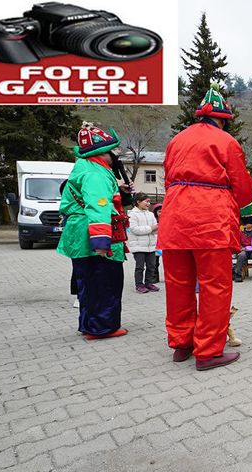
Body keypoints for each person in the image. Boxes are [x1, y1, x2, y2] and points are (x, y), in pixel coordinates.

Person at [158, 84, 252, 370]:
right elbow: (243, 188)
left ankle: (182, 344)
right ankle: (208, 351)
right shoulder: (226, 142)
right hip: (211, 222)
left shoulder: (176, 141)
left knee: (178, 286)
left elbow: (168, 179)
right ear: (223, 119)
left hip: (174, 220)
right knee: (214, 287)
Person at [57, 122, 131, 340]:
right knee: (103, 282)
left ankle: (90, 324)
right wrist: (101, 241)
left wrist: (118, 190)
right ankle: (101, 327)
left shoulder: (86, 168)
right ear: (102, 153)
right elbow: (98, 206)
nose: (114, 155)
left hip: (80, 233)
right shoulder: (95, 174)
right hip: (92, 236)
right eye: (112, 151)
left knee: (89, 283)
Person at [127, 192, 160, 294]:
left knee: (152, 266)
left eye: (149, 202)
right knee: (140, 267)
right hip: (138, 246)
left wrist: (156, 229)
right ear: (138, 202)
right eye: (146, 201)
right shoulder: (132, 214)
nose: (148, 204)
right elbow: (135, 229)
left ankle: (149, 283)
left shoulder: (150, 214)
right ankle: (139, 285)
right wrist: (151, 228)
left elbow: (155, 227)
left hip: (151, 246)